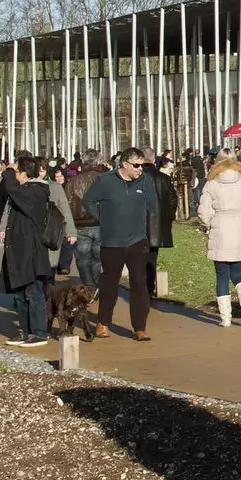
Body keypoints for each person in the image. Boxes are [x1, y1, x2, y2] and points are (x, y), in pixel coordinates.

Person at [83, 146, 160, 341]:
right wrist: (101, 218)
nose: (140, 169)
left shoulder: (145, 181)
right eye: (136, 165)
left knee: (139, 285)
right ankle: (103, 323)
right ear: (124, 164)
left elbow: (153, 206)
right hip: (112, 242)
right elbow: (88, 200)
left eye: (142, 165)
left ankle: (139, 328)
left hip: (137, 241)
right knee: (109, 284)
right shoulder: (105, 180)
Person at [0, 156, 57, 347]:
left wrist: (7, 172)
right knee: (20, 295)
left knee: (34, 294)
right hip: (18, 251)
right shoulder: (24, 191)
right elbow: (10, 194)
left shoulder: (37, 191)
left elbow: (12, 189)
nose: (13, 175)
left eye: (16, 172)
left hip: (31, 252)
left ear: (23, 173)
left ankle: (39, 333)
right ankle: (26, 331)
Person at [198, 153, 241, 325]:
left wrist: (210, 224)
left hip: (220, 228)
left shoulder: (211, 184)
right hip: (240, 227)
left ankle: (226, 319)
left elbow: (203, 212)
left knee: (222, 276)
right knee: (238, 273)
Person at [62, 152, 104, 286]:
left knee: (83, 258)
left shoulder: (73, 180)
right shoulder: (104, 179)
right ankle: (93, 284)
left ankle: (90, 284)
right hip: (100, 223)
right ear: (98, 162)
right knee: (97, 257)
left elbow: (66, 202)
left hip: (80, 224)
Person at [146, 156, 179, 296]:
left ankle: (142, 287)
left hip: (138, 226)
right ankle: (148, 287)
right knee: (152, 258)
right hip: (157, 226)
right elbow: (172, 199)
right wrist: (168, 218)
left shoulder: (136, 179)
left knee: (137, 258)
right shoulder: (164, 179)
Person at [43, 162, 76, 276]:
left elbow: (65, 207)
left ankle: (64, 265)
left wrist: (70, 230)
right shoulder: (51, 186)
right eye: (56, 177)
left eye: (61, 176)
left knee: (65, 246)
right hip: (54, 222)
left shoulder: (67, 185)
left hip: (59, 222)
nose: (59, 179)